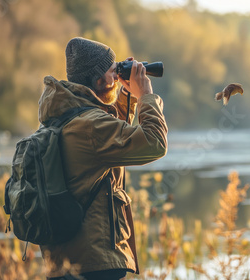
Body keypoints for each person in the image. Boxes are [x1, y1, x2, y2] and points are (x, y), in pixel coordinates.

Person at [38, 37, 168, 280]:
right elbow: (155, 143)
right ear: (99, 80)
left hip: (65, 260)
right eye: (113, 72)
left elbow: (107, 135)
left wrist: (122, 95)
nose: (117, 76)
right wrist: (145, 96)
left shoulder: (64, 116)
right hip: (95, 264)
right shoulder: (91, 126)